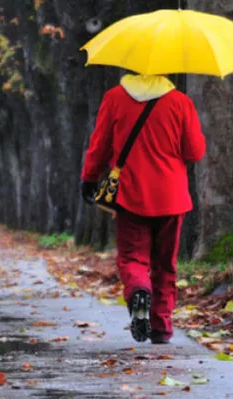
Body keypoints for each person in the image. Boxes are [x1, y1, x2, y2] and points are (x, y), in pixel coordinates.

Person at [80, 73, 205, 344]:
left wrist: (89, 177)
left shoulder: (114, 98)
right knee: (165, 264)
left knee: (133, 257)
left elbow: (99, 144)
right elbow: (194, 151)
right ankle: (161, 326)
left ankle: (139, 290)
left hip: (130, 193)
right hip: (171, 196)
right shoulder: (181, 102)